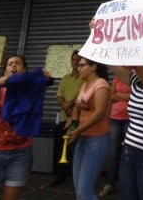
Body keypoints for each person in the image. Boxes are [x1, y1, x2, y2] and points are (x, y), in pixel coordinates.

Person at [104, 10, 143, 200]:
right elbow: (110, 61)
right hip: (129, 152)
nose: (134, 64)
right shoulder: (133, 80)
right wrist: (97, 34)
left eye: (140, 60)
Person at [0, 54, 51, 200]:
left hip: (21, 152)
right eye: (10, 64)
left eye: (18, 63)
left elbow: (46, 82)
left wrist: (45, 77)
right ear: (5, 71)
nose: (13, 66)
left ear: (24, 70)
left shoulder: (31, 90)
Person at [67, 57, 111, 200]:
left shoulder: (101, 84)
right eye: (78, 66)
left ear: (93, 67)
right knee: (79, 188)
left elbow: (99, 113)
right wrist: (73, 124)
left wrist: (78, 130)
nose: (78, 68)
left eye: (82, 65)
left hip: (97, 141)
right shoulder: (83, 85)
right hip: (82, 139)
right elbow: (77, 108)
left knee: (84, 191)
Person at [50, 51, 85, 187]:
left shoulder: (85, 78)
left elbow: (82, 97)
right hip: (64, 117)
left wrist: (69, 106)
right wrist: (65, 106)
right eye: (73, 60)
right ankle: (61, 175)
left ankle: (77, 175)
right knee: (61, 148)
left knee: (76, 147)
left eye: (78, 60)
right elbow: (59, 95)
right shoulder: (66, 77)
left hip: (78, 119)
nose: (75, 63)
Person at [98, 76, 130, 198]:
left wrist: (119, 95)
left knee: (127, 152)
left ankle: (126, 184)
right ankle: (110, 183)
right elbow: (111, 96)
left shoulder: (135, 77)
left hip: (130, 118)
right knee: (115, 152)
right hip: (115, 118)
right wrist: (125, 96)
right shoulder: (117, 78)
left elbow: (135, 97)